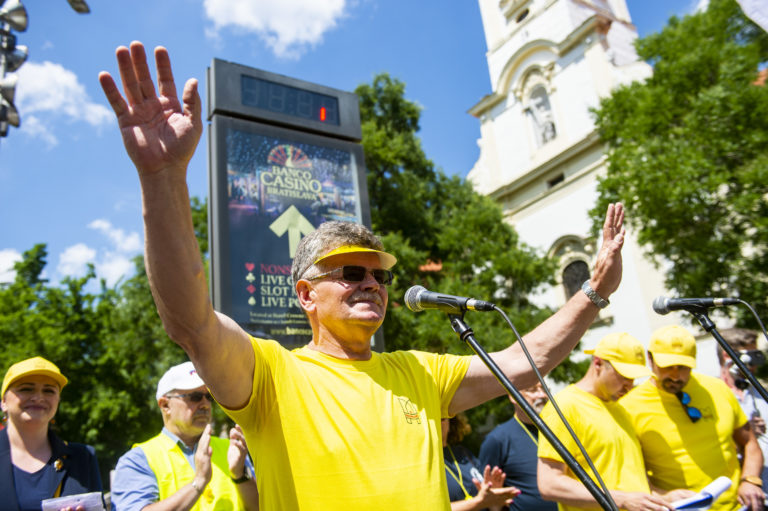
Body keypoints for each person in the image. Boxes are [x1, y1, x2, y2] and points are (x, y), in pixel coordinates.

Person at [98, 40, 626, 510]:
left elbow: (520, 362)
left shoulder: (418, 373)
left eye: (380, 276)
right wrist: (162, 177)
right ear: (306, 293)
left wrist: (593, 292)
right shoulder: (270, 374)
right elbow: (189, 319)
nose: (371, 283)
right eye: (352, 272)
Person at [537, 332, 690, 511]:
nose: (629, 385)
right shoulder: (564, 406)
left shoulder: (621, 410)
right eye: (624, 375)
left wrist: (665, 497)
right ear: (598, 363)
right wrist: (622, 499)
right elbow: (550, 484)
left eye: (633, 378)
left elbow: (629, 486)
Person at [621, 325, 765, 511]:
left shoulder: (717, 389)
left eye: (683, 367)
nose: (675, 375)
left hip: (737, 507)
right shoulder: (628, 407)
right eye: (667, 366)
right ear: (650, 359)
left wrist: (751, 480)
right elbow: (630, 475)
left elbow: (750, 443)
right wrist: (662, 496)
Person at [111, 361, 258, 511]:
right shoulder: (138, 459)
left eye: (209, 396)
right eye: (195, 397)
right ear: (165, 405)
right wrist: (198, 482)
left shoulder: (232, 449)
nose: (205, 404)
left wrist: (240, 476)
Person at [0, 356, 103, 509]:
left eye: (48, 391)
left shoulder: (83, 457)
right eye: (26, 389)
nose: (38, 397)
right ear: (3, 401)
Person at [479, 382, 557, 511]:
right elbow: (488, 500)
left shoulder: (560, 430)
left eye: (544, 388)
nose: (541, 394)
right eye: (532, 389)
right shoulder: (498, 439)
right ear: (513, 396)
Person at [719, 327, 768, 489]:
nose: (753, 365)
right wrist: (746, 433)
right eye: (749, 358)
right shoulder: (715, 395)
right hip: (747, 487)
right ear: (727, 356)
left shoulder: (761, 389)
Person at [442, 414, 519, 510]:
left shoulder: (462, 453)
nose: (437, 422)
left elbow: (490, 505)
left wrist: (495, 500)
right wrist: (479, 502)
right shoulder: (420, 464)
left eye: (442, 418)